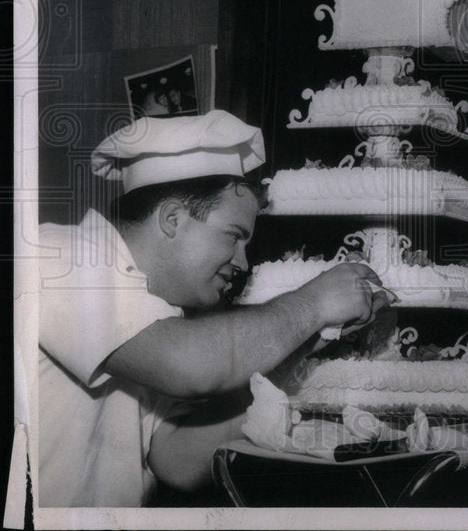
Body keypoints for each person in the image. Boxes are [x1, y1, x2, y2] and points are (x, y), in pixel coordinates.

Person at [35, 110, 393, 507]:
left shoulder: (163, 315)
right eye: (234, 236)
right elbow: (189, 366)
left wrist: (301, 345)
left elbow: (177, 462)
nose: (242, 262)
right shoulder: (55, 257)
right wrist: (313, 303)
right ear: (172, 218)